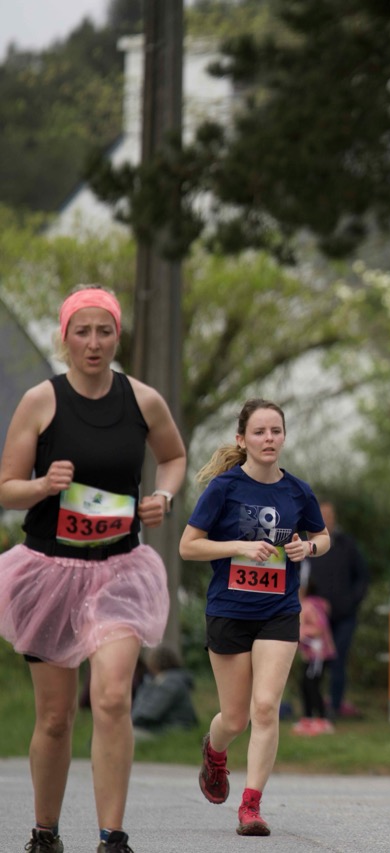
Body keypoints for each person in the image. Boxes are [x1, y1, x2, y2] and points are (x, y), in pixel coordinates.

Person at [0, 285, 186, 853]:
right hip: (49, 572)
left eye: (104, 331)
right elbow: (7, 488)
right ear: (65, 338)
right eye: (82, 332)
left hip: (119, 570)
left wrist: (164, 496)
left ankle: (112, 837)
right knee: (56, 717)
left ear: (117, 336)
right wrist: (42, 485)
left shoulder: (143, 400)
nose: (93, 342)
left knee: (110, 698)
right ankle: (45, 832)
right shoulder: (40, 401)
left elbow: (173, 457)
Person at [179, 398, 329, 837]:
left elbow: (322, 536)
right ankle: (215, 752)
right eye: (259, 432)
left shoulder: (298, 491)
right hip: (229, 610)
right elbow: (188, 546)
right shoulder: (224, 488)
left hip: (279, 610)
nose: (269, 439)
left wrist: (308, 547)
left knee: (265, 707)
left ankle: (251, 806)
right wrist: (239, 546)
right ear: (242, 439)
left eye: (275, 431)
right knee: (235, 719)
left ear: (284, 437)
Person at [301, 500, 369, 718]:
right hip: (317, 619)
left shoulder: (347, 544)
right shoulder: (307, 545)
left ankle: (335, 706)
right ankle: (314, 707)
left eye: (329, 515)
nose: (326, 519)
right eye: (321, 515)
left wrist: (352, 601)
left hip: (344, 615)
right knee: (315, 663)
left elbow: (362, 576)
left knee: (338, 659)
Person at [293, 589, 337, 735]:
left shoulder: (309, 606)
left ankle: (322, 718)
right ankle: (308, 717)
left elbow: (320, 627)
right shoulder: (310, 604)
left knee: (312, 685)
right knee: (305, 685)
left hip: (318, 654)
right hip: (312, 654)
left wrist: (301, 632)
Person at [131, 646, 197, 739]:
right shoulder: (172, 680)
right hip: (169, 727)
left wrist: (129, 721)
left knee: (124, 736)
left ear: (153, 663)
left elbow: (149, 713)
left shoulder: (169, 683)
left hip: (173, 729)